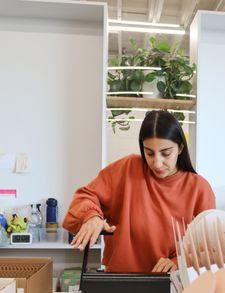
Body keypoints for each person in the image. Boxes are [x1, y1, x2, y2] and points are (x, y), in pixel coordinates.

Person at [63, 110, 215, 273]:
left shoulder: (199, 189)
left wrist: (179, 261)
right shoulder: (128, 169)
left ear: (180, 148)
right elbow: (85, 196)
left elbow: (209, 248)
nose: (157, 163)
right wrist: (91, 217)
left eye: (166, 153)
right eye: (149, 153)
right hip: (121, 282)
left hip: (173, 283)